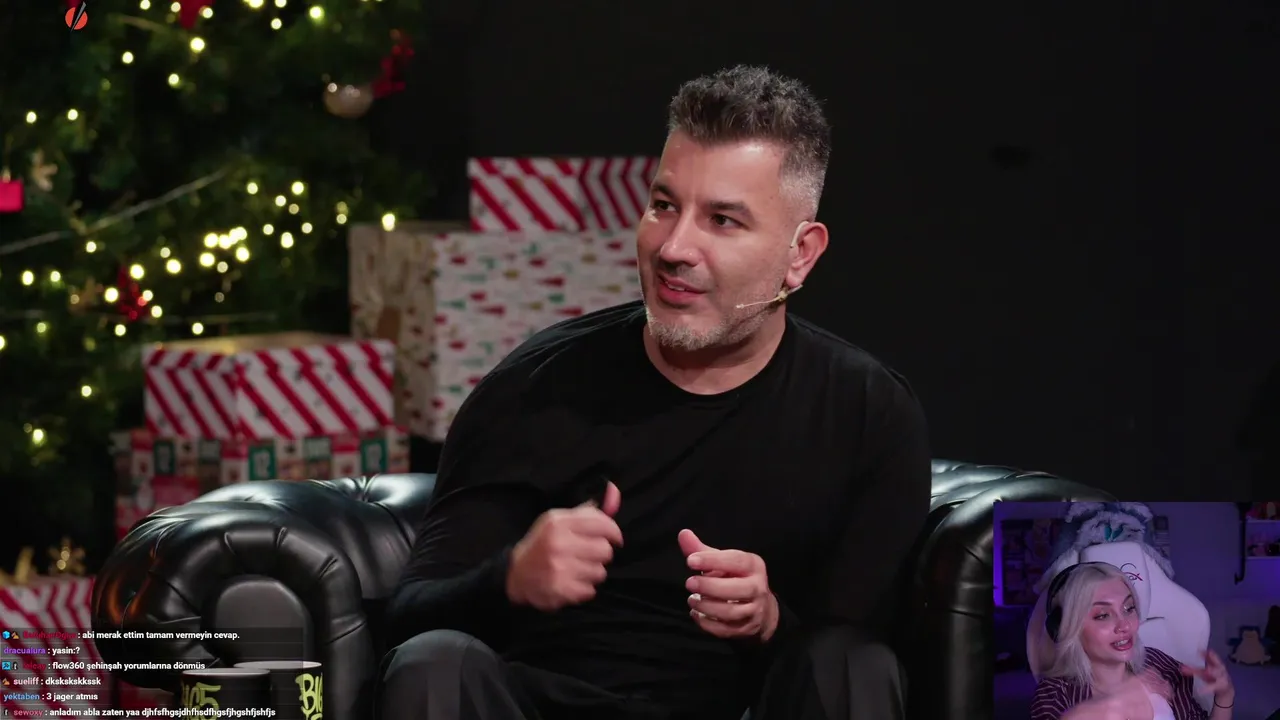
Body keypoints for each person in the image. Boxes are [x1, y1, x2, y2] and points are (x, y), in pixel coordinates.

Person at [378, 65, 931, 720]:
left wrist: (771, 620)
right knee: (434, 662)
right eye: (664, 206)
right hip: (544, 703)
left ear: (800, 255)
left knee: (851, 662)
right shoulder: (535, 387)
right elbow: (406, 621)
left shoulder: (868, 414)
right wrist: (509, 579)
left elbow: (859, 657)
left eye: (722, 220)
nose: (673, 248)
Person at [1029, 562, 1236, 720]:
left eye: (1129, 608)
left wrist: (1224, 697)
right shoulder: (1054, 695)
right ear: (1068, 628)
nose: (1125, 626)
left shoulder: (1160, 665)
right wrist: (1110, 704)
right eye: (1103, 615)